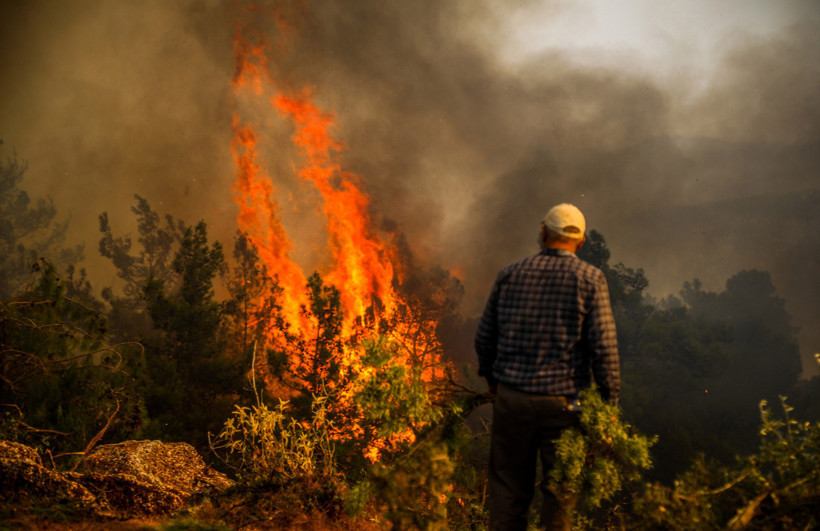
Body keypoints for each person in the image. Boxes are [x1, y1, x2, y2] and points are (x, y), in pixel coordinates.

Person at [475, 203, 620, 530]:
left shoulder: (510, 274)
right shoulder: (591, 279)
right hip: (565, 406)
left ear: (542, 234)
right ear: (581, 242)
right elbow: (605, 349)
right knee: (560, 495)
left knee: (509, 493)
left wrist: (493, 382)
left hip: (513, 402)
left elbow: (485, 337)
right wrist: (608, 406)